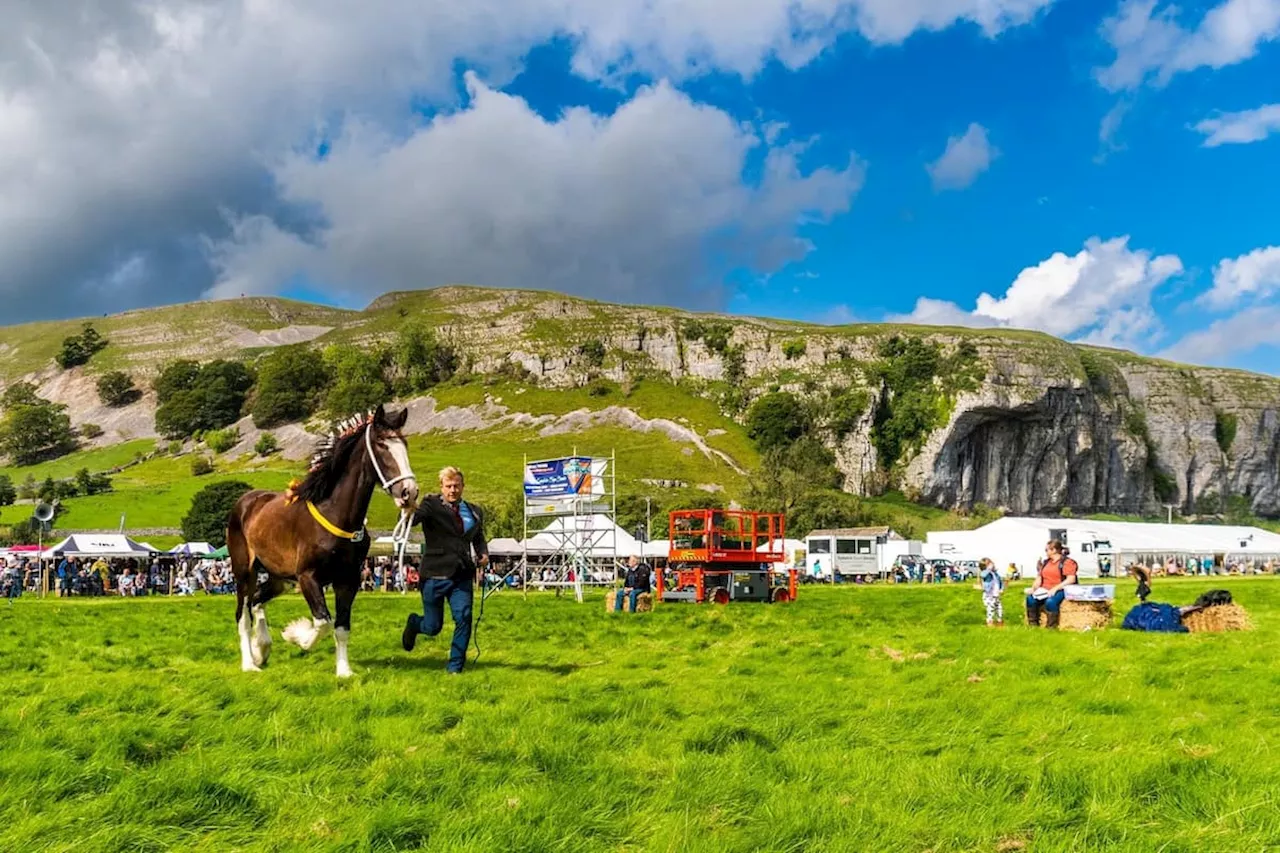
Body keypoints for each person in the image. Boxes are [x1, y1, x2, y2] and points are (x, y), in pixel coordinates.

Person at [401, 466, 488, 674]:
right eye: (448, 486)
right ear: (441, 487)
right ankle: (415, 623)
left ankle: (455, 667)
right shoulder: (431, 504)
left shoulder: (474, 511)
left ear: (463, 486)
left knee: (464, 616)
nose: (453, 490)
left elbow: (478, 538)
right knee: (433, 627)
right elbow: (410, 522)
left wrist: (483, 553)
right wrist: (407, 508)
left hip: (462, 574)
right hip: (434, 574)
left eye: (456, 486)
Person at [1025, 539, 1078, 629]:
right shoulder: (1046, 562)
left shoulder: (1067, 562)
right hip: (1044, 589)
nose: (1045, 552)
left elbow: (1071, 579)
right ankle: (1033, 625)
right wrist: (1034, 588)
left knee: (1050, 602)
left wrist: (1055, 588)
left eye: (1047, 550)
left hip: (1061, 589)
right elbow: (1039, 577)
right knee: (1030, 599)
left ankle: (1051, 626)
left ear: (1054, 550)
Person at [978, 558, 1004, 627]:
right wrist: (988, 569)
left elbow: (1000, 581)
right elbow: (983, 575)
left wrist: (1001, 588)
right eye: (989, 564)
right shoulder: (985, 573)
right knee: (991, 609)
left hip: (996, 595)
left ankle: (1000, 622)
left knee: (999, 609)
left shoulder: (995, 574)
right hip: (989, 595)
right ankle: (990, 622)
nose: (992, 565)